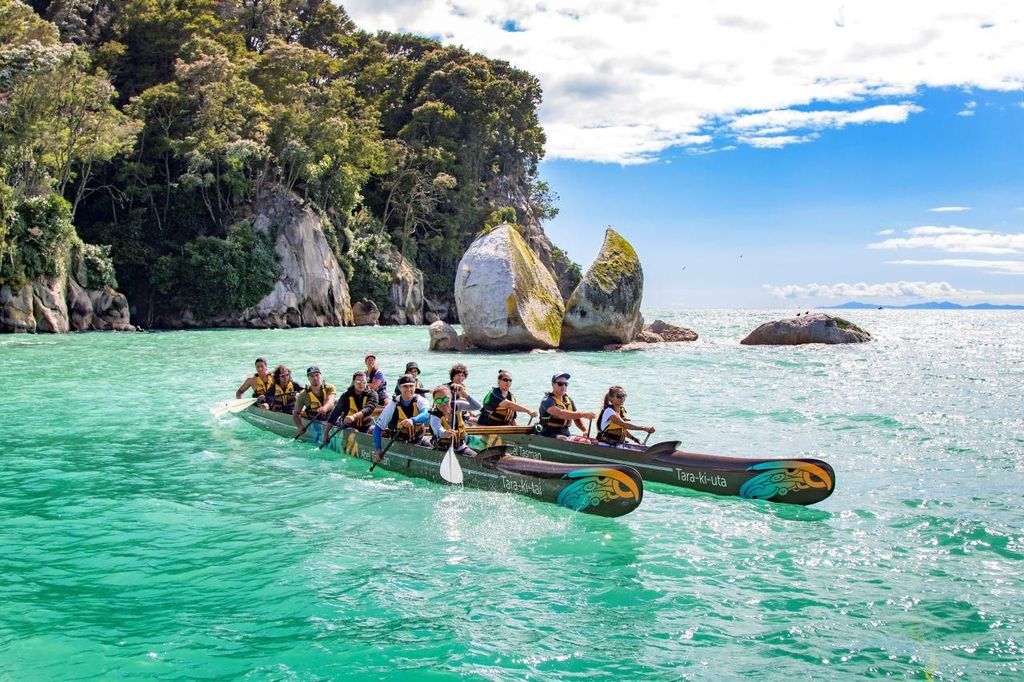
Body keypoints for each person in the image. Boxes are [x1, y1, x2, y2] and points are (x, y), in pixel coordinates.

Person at [373, 374, 431, 462]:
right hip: (399, 441)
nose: (408, 389)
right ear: (400, 388)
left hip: (417, 439)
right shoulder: (393, 404)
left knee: (431, 445)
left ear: (415, 387)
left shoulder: (421, 401)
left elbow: (426, 414)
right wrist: (378, 449)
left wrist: (412, 420)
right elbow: (378, 427)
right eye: (405, 386)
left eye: (411, 386)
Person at [322, 371, 379, 444]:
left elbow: (369, 408)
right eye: (358, 381)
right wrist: (326, 434)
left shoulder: (373, 394)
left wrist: (354, 416)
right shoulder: (346, 396)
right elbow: (334, 414)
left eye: (364, 382)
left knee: (376, 430)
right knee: (354, 432)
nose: (361, 384)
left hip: (366, 426)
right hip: (349, 426)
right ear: (353, 382)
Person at [538, 372, 596, 440]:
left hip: (565, 434)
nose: (564, 386)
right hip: (548, 434)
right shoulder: (547, 400)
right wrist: (583, 414)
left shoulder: (569, 400)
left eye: (566, 384)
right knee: (563, 439)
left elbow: (576, 418)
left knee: (589, 441)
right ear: (553, 384)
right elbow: (561, 414)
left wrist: (585, 430)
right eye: (560, 384)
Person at [427, 385, 477, 457]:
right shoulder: (434, 416)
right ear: (435, 402)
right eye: (438, 400)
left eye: (446, 399)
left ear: (451, 398)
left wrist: (464, 393)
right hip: (441, 449)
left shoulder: (457, 405)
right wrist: (445, 433)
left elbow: (477, 406)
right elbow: (438, 429)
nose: (443, 403)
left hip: (460, 447)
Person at [292, 366, 337, 436]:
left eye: (317, 375)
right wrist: (300, 427)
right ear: (308, 378)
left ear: (320, 376)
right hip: (315, 420)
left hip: (330, 420)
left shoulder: (329, 388)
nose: (315, 378)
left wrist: (325, 408)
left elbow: (331, 401)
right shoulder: (303, 394)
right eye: (312, 376)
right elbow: (296, 414)